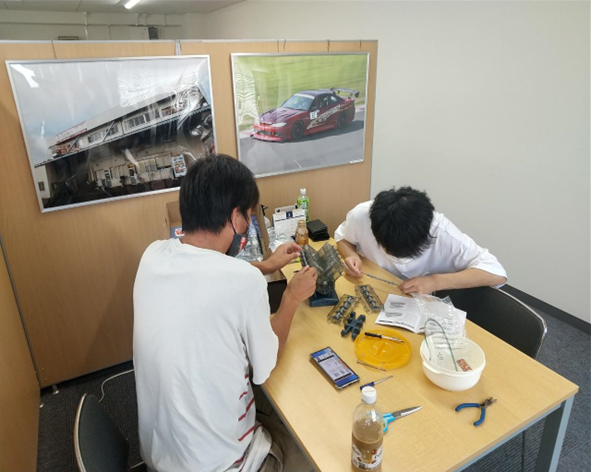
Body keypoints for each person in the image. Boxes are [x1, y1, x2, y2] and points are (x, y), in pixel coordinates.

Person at [133, 154, 317, 472]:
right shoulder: (243, 282)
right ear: (234, 216)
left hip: (161, 457)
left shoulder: (152, 255)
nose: (246, 226)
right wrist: (291, 297)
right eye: (247, 217)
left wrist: (266, 265)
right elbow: (265, 367)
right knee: (316, 450)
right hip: (223, 465)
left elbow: (204, 273)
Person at [335, 187, 507, 293]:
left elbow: (497, 274)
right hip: (379, 291)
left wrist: (435, 282)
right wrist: (351, 255)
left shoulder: (443, 232)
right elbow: (343, 238)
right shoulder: (362, 215)